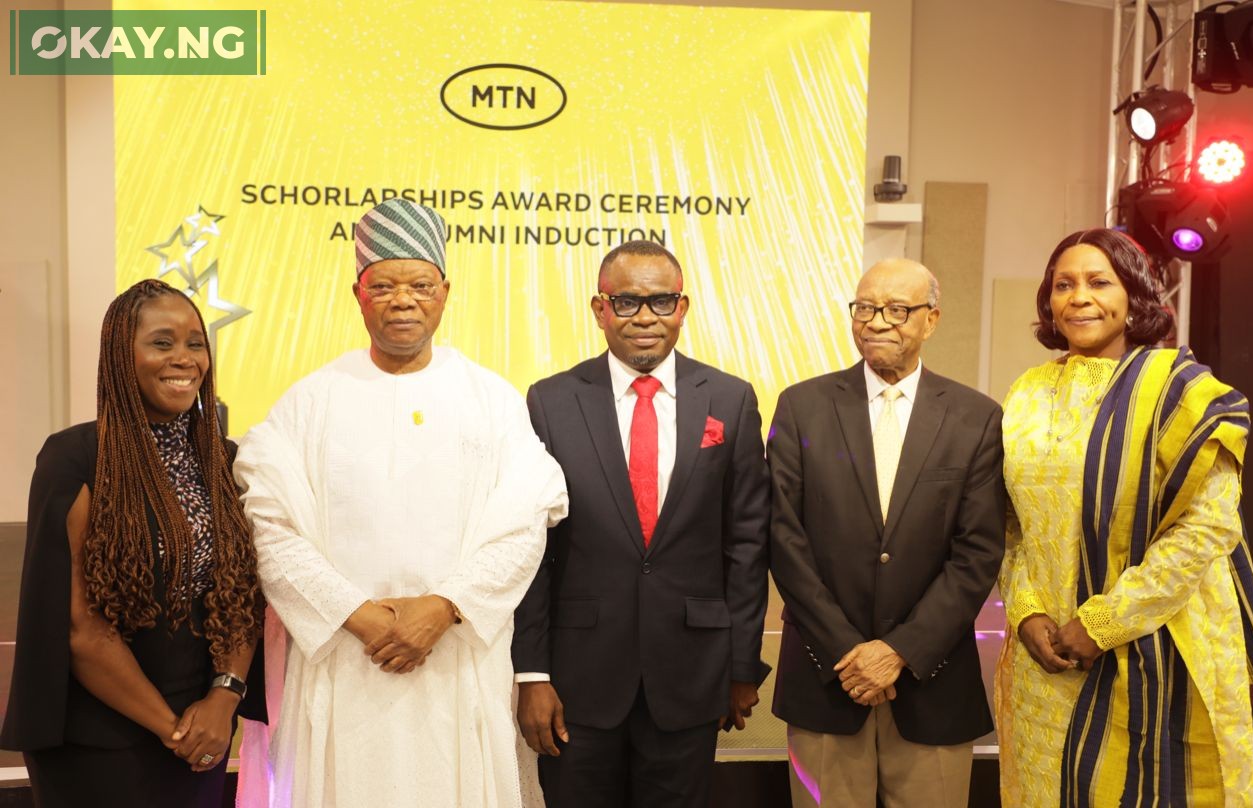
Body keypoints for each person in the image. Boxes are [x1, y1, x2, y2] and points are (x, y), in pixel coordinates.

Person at [232, 198, 568, 807]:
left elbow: (525, 521)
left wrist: (445, 606)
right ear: (357, 293)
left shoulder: (489, 398)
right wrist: (354, 614)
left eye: (419, 284)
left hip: (457, 661)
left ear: (445, 290)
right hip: (342, 660)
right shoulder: (309, 402)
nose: (402, 299)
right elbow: (270, 527)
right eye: (382, 285)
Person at [995, 228, 1253, 808]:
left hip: (1154, 647)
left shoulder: (1184, 392)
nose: (1079, 297)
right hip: (1044, 662)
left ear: (1135, 296)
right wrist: (1026, 614)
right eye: (1063, 285)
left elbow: (1207, 529)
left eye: (1100, 282)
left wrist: (1102, 624)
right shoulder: (1026, 393)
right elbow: (1011, 526)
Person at [512, 240, 770, 807]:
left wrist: (742, 665)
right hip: (578, 680)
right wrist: (531, 674)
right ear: (599, 309)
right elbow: (531, 549)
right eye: (627, 302)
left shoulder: (730, 400)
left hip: (693, 673)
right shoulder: (551, 401)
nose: (646, 317)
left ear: (683, 307)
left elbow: (747, 544)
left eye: (661, 301)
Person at [1, 279, 266, 808]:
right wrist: (173, 730)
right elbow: (82, 628)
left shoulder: (224, 459)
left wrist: (223, 697)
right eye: (162, 342)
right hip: (98, 742)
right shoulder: (75, 458)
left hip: (204, 732)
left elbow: (243, 593)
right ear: (122, 354)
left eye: (195, 343)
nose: (184, 358)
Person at [768, 258, 1005, 808]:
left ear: (931, 320)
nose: (877, 322)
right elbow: (784, 538)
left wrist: (899, 651)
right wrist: (848, 652)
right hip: (828, 679)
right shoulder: (801, 407)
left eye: (897, 310)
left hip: (932, 680)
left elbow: (978, 552)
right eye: (865, 308)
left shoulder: (976, 417)